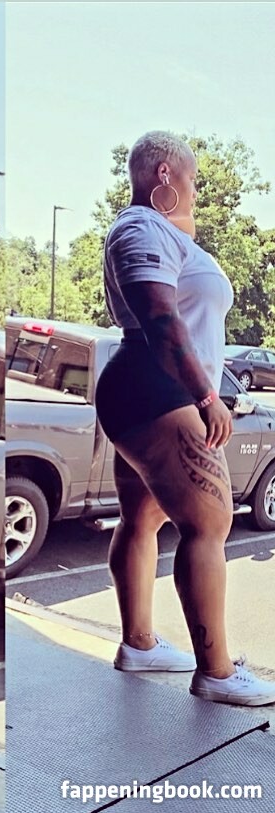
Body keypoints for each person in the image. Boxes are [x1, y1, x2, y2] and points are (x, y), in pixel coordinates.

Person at [95, 130, 275, 705]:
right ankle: (216, 672)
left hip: (145, 389)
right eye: (193, 179)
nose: (197, 191)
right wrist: (205, 396)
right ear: (165, 175)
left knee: (141, 518)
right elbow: (159, 318)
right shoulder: (140, 227)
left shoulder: (159, 232)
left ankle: (139, 644)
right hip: (159, 390)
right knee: (210, 524)